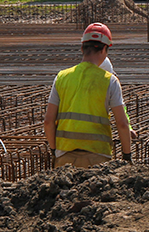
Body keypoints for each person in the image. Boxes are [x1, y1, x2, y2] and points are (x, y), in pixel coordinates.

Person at [44, 23, 132, 168]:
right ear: (105, 49)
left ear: (82, 48)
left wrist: (54, 151)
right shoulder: (110, 81)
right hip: (98, 158)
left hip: (65, 157)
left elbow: (48, 121)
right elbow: (122, 123)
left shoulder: (61, 77)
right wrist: (127, 156)